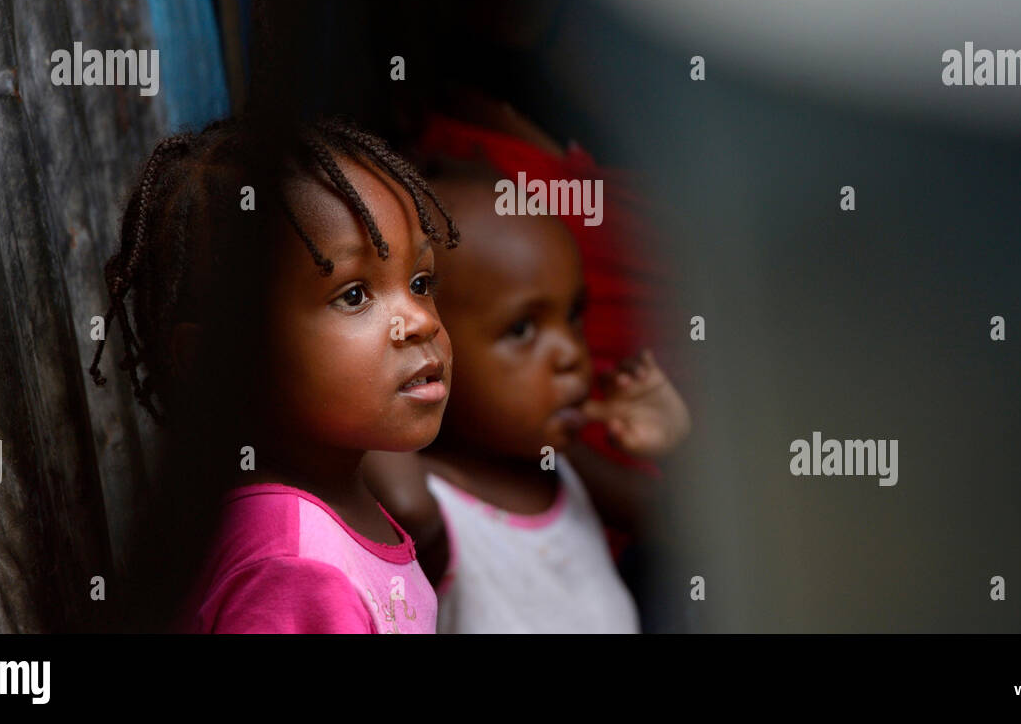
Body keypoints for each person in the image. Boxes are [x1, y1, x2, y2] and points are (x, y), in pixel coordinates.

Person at [88, 113, 459, 633]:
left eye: (420, 282)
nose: (418, 321)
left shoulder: (326, 514)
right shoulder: (294, 566)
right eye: (353, 295)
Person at [363, 158, 690, 633]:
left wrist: (672, 447)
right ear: (430, 344)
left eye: (574, 315)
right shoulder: (428, 508)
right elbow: (406, 502)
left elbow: (684, 530)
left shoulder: (560, 464)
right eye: (522, 329)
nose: (572, 354)